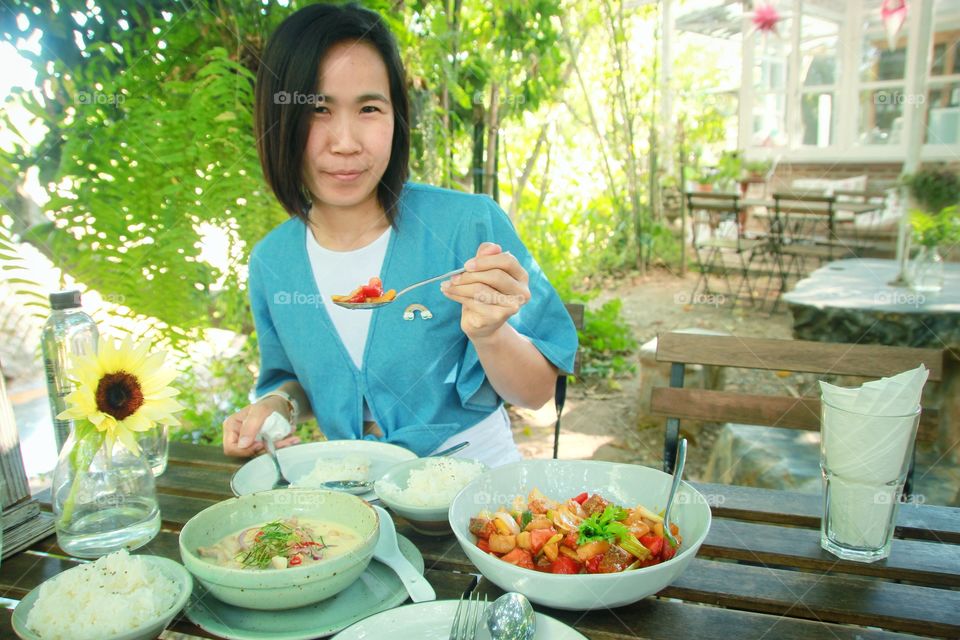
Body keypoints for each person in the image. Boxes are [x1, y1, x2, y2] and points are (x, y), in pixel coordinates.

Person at [221, 3, 577, 467]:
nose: (345, 141)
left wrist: (491, 334)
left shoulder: (468, 225)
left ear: (397, 119)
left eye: (369, 108)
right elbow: (294, 381)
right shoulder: (273, 261)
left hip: (478, 494)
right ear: (278, 120)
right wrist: (277, 406)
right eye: (318, 110)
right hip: (352, 495)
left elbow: (537, 393)